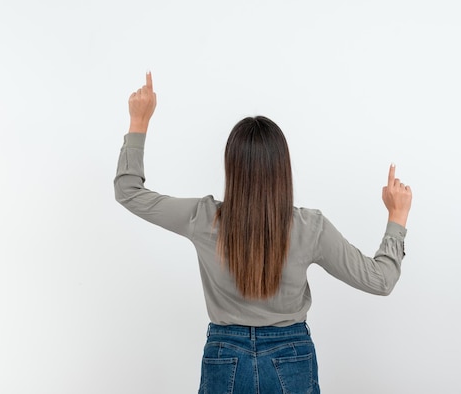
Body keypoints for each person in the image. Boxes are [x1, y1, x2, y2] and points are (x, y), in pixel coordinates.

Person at [114, 72, 412, 393]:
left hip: (224, 358)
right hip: (291, 359)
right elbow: (380, 280)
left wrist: (138, 120)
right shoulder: (311, 227)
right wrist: (397, 216)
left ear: (232, 167)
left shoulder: (202, 218)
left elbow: (128, 191)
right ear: (282, 168)